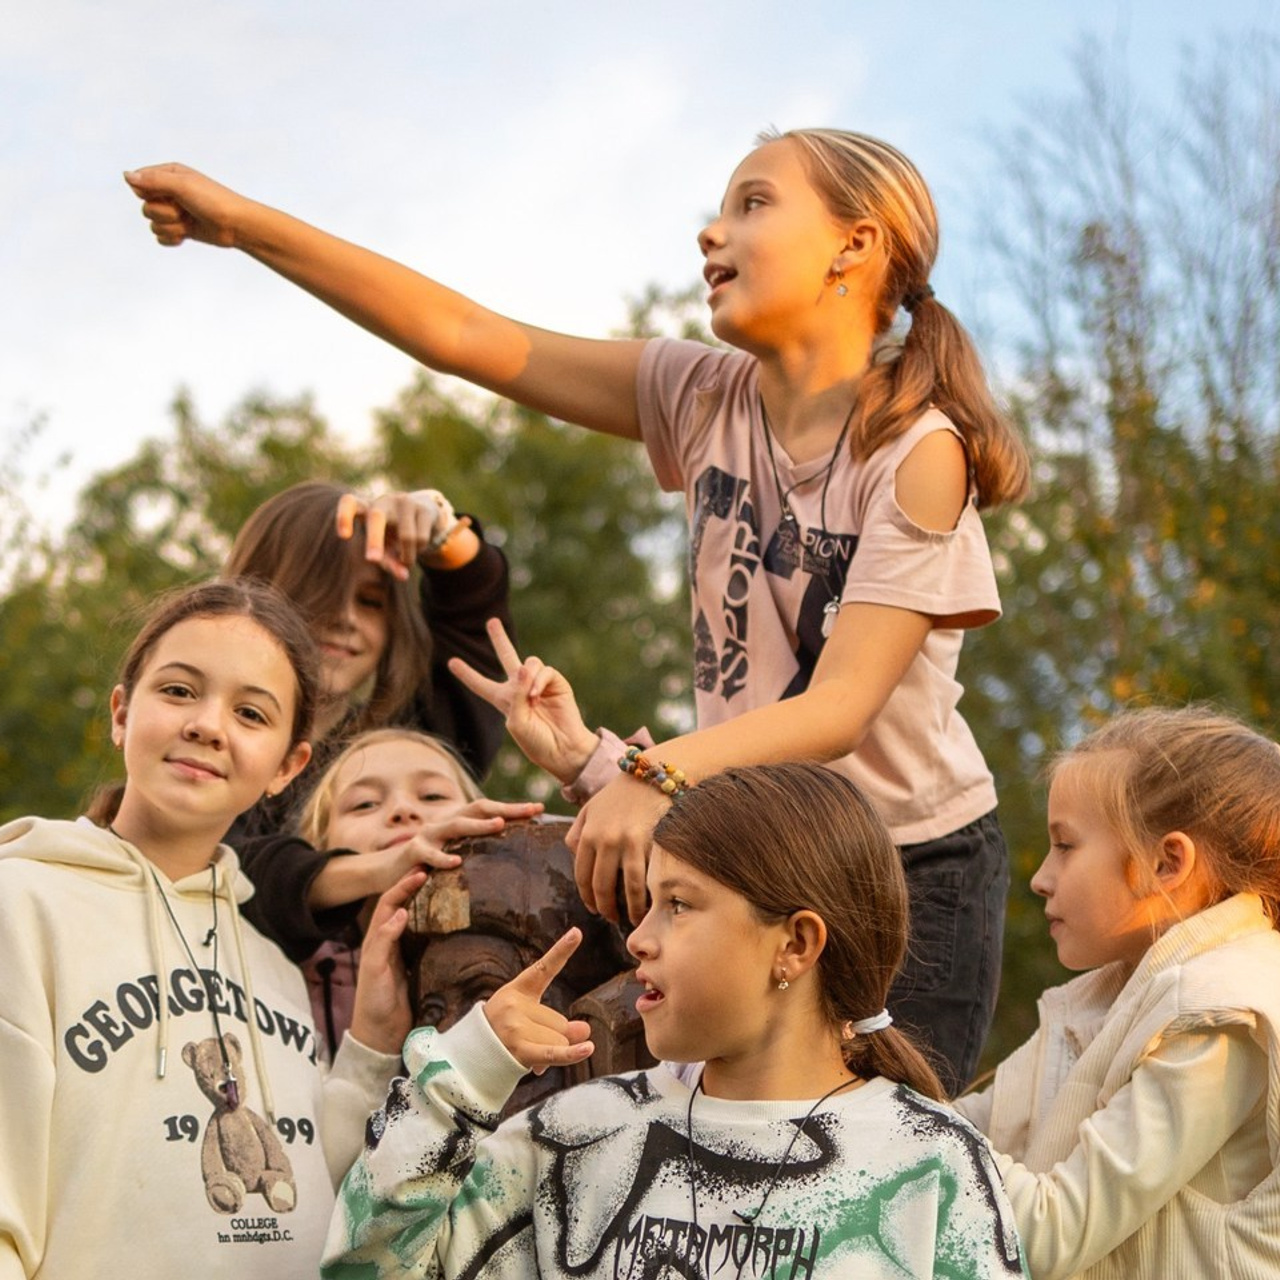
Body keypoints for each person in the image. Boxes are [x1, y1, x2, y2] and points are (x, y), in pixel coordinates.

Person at [126, 129, 1030, 1092]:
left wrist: (650, 773)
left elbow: (838, 708)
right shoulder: (703, 395)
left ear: (855, 244)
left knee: (879, 1158)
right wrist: (243, 225)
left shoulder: (916, 449)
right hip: (756, 844)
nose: (711, 231)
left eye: (753, 203)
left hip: (906, 867)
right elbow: (468, 338)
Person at [322, 762, 1027, 1278]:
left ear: (796, 944)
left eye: (679, 905)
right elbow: (366, 1269)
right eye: (647, 902)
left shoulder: (932, 1164)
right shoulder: (573, 1138)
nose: (637, 940)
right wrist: (464, 1071)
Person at [0, 579, 418, 1279]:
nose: (207, 725)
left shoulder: (272, 959)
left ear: (288, 765)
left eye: (251, 713)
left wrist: (372, 1048)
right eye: (179, 691)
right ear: (121, 713)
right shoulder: (22, 901)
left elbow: (316, 1183)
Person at [952, 708, 1280, 1279]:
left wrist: (886, 1123)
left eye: (1066, 846)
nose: (1040, 877)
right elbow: (971, 1124)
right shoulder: (1108, 997)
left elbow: (1048, 1232)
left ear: (1165, 863)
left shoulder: (1218, 1015)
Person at [219, 480, 525, 963]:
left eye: (369, 601)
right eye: (319, 596)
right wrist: (382, 866)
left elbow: (471, 624)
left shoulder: (404, 746)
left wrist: (442, 536)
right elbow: (238, 869)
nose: (344, 619)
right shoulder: (209, 748)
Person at [290, 726, 541, 1060]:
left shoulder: (530, 931)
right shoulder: (294, 976)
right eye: (364, 804)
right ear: (318, 848)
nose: (403, 810)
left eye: (433, 796)